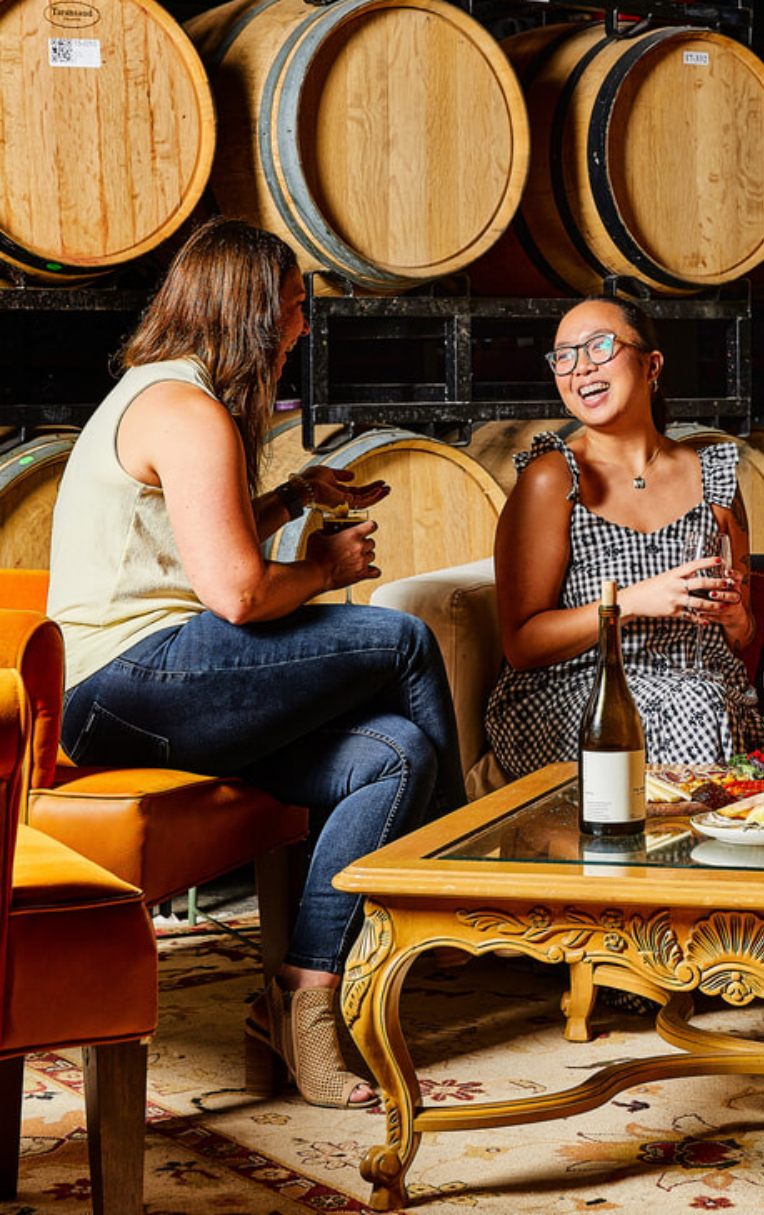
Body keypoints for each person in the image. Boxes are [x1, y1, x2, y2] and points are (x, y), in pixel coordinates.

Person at [46, 217, 466, 1109]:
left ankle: (302, 1001)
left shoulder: (160, 393)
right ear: (247, 308)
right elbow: (234, 594)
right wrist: (327, 566)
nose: (301, 326)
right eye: (292, 305)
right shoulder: (188, 410)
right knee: (403, 638)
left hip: (149, 685)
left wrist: (288, 498)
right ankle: (456, 892)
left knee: (394, 754)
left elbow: (187, 545)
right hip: (124, 682)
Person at [484, 296, 764, 778]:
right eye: (564, 356)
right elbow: (522, 645)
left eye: (600, 347)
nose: (581, 367)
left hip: (707, 693)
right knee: (699, 707)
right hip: (583, 697)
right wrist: (630, 602)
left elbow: (741, 636)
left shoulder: (714, 478)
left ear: (652, 365)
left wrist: (733, 617)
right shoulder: (553, 478)